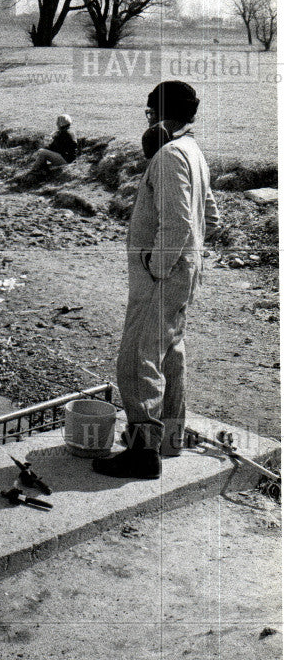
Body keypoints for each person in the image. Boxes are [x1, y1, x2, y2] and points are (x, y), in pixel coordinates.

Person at [93, 80, 220, 480]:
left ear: (163, 116)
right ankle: (170, 439)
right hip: (186, 271)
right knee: (169, 351)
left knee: (136, 358)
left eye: (150, 113)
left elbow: (179, 222)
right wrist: (186, 257)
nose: (147, 121)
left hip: (163, 276)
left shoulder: (168, 155)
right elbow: (210, 217)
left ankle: (142, 455)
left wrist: (156, 264)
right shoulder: (194, 151)